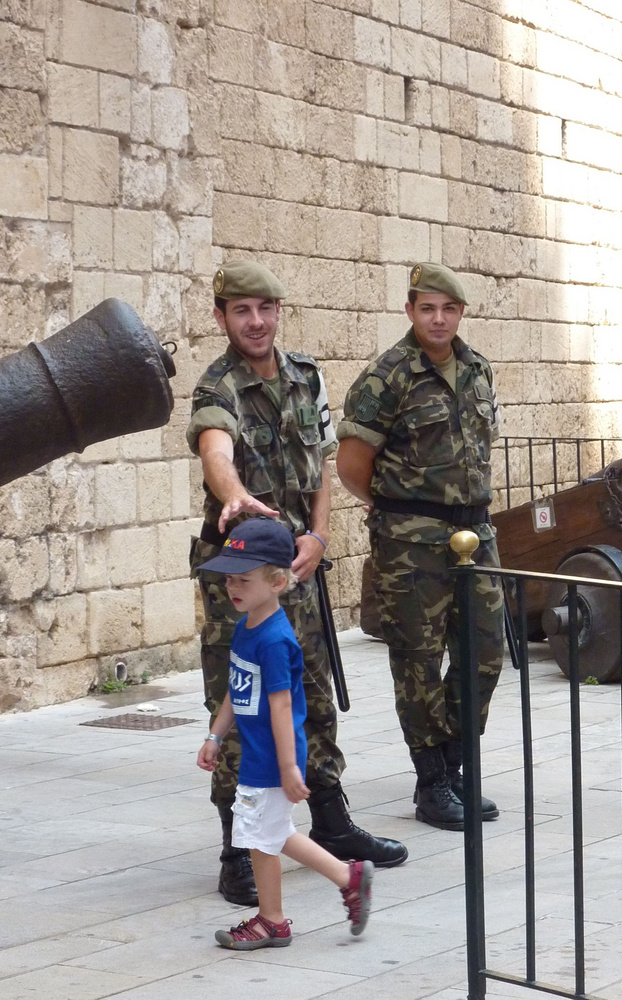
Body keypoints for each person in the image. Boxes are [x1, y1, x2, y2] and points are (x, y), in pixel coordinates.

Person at [187, 259, 407, 906]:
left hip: (297, 566)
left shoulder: (306, 377)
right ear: (222, 316)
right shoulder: (216, 387)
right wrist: (233, 498)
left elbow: (320, 469)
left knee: (311, 685)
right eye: (242, 311)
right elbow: (214, 452)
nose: (256, 322)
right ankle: (236, 847)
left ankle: (332, 822)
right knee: (245, 695)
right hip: (241, 574)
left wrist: (318, 537)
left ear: (279, 312)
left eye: (266, 308)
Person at [336, 262, 504, 831]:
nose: (438, 318)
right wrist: (392, 508)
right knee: (417, 661)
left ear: (461, 314)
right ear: (410, 311)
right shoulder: (388, 376)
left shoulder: (478, 368)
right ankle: (433, 782)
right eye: (426, 308)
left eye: (448, 309)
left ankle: (452, 766)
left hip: (475, 535)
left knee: (485, 652)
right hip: (411, 542)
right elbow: (352, 464)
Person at [196, 519, 373, 949]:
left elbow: (281, 706)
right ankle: (348, 877)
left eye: (243, 579)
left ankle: (272, 921)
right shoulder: (246, 627)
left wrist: (290, 766)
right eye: (228, 578)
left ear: (277, 581)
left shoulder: (275, 640)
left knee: (262, 835)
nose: (232, 587)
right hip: (260, 756)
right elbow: (234, 691)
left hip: (270, 759)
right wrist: (215, 736)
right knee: (271, 833)